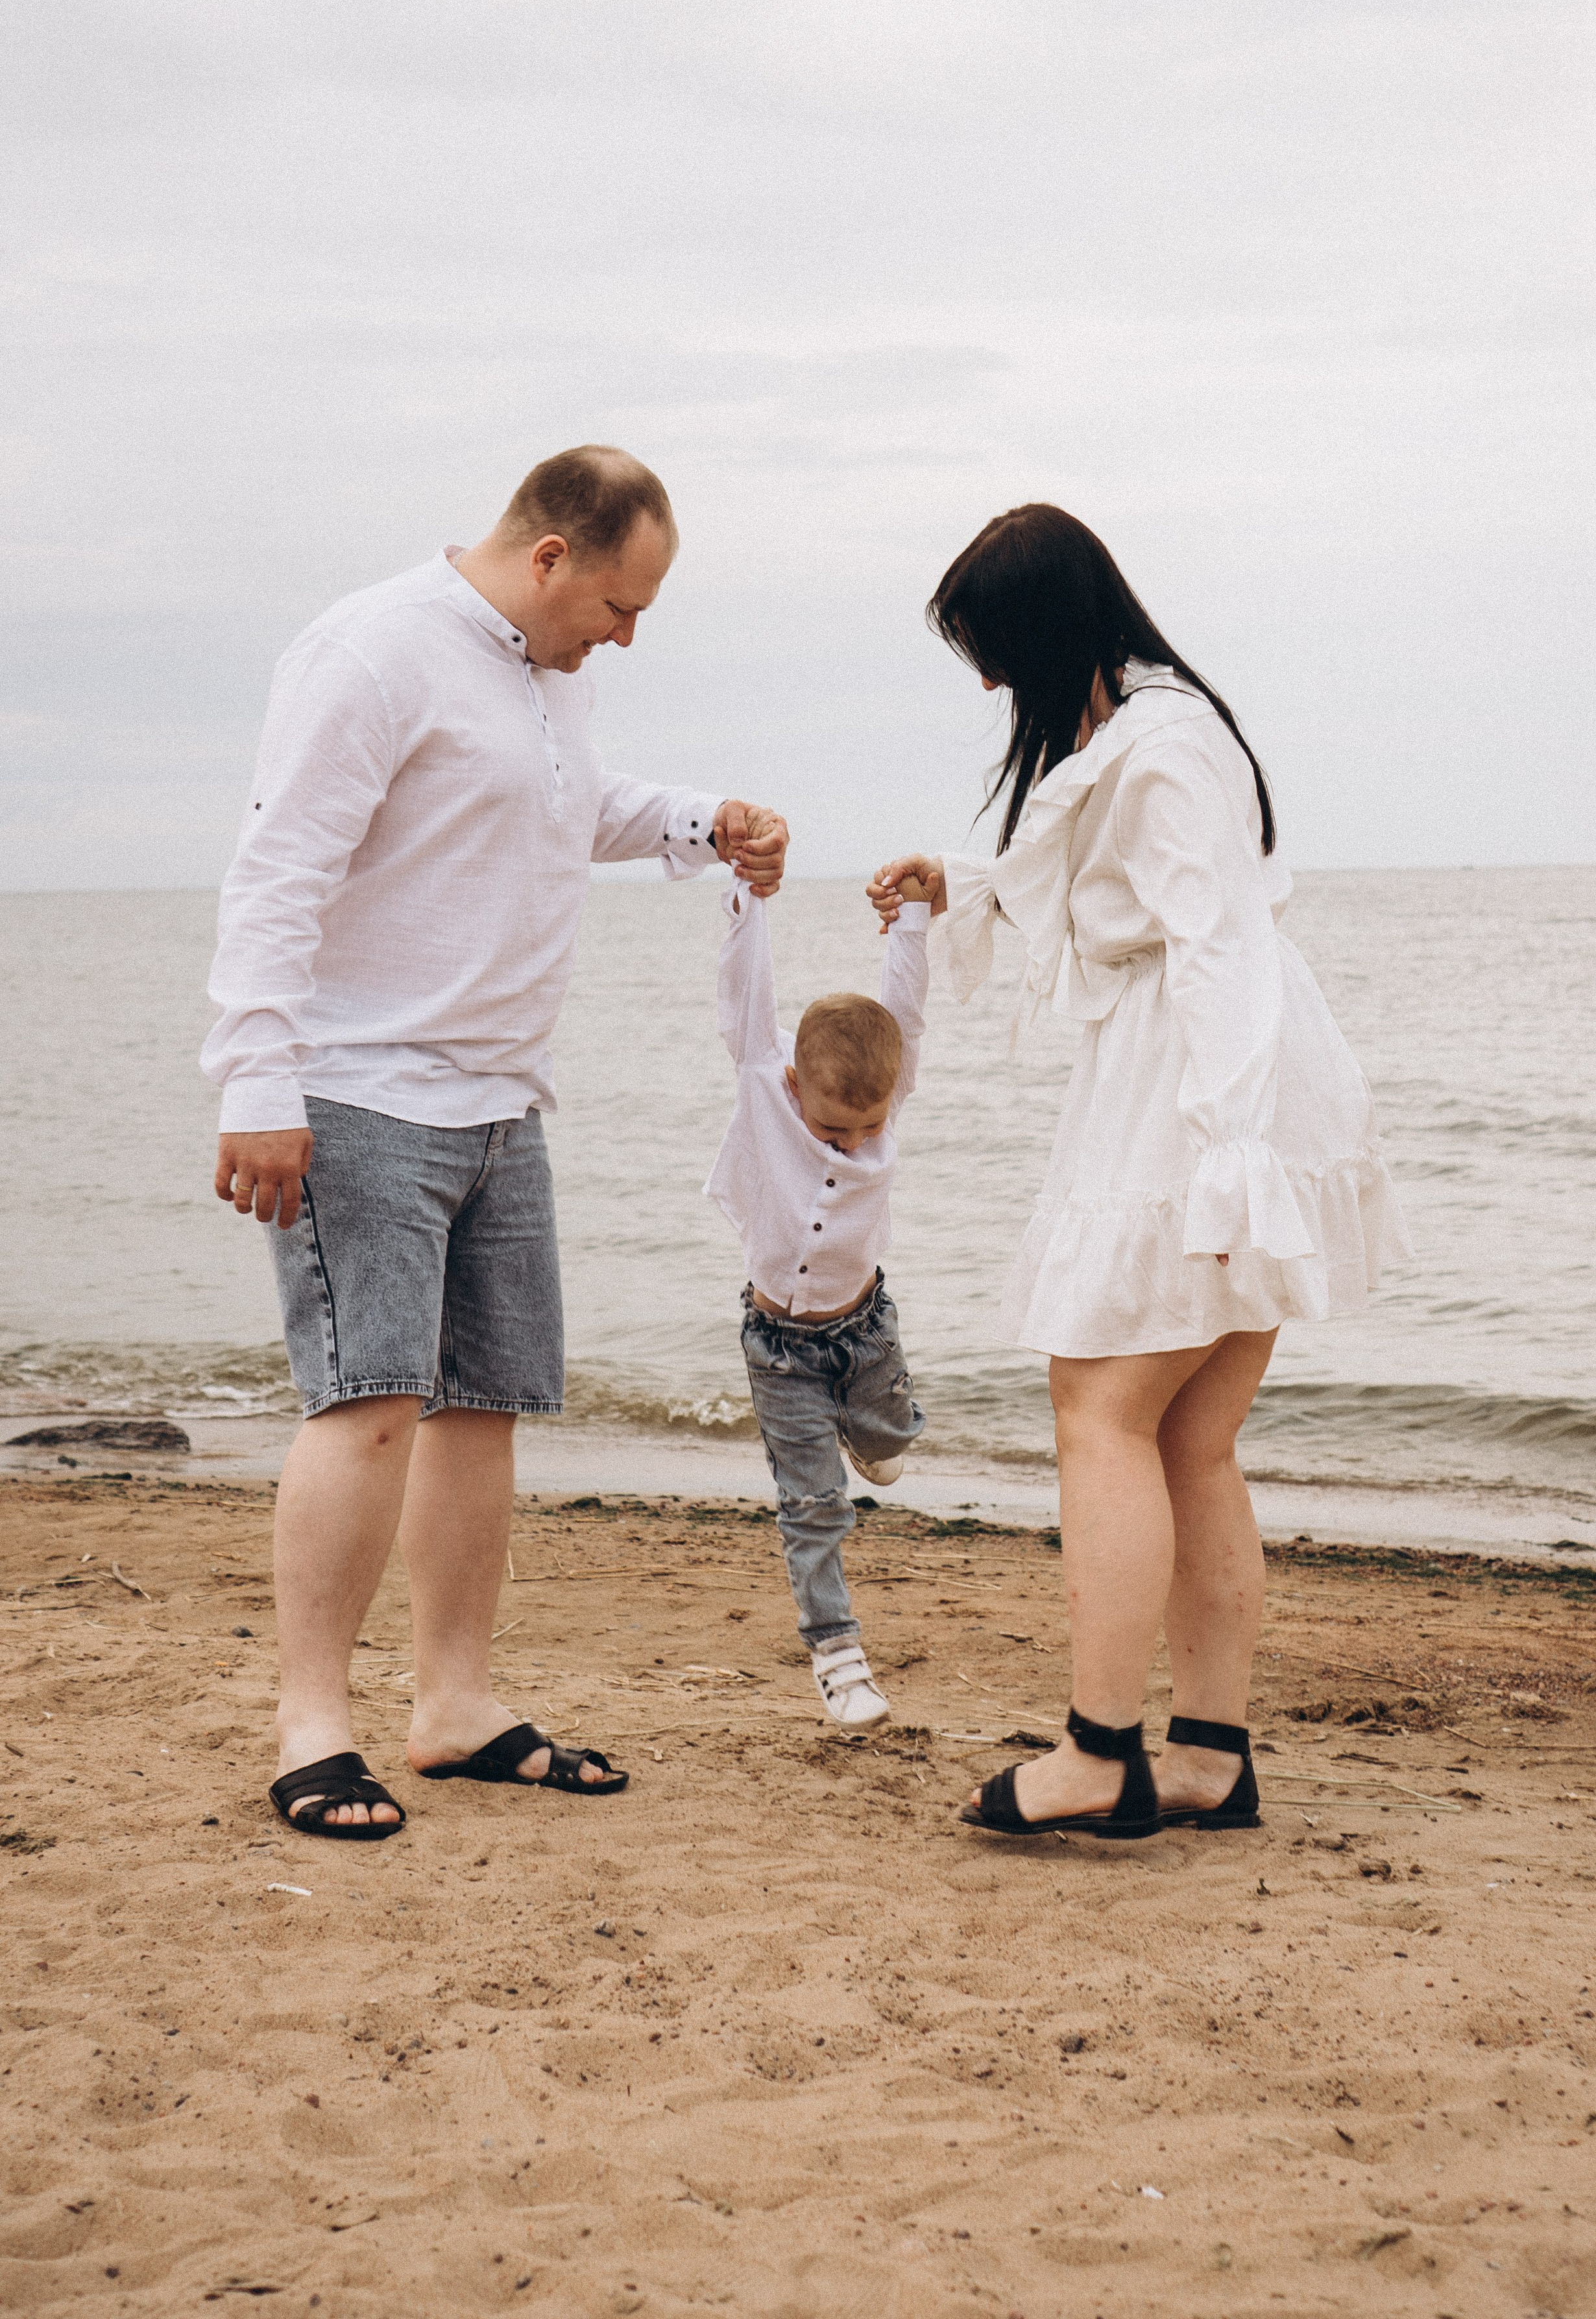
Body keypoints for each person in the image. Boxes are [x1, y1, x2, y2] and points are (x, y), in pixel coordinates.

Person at [203, 446, 790, 1839]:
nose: (625, 636)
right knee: (371, 1401)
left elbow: (570, 811)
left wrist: (707, 822)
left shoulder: (545, 682)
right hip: (356, 1093)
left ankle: (454, 1707)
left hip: (498, 1101)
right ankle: (311, 1730)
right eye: (619, 604)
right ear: (548, 559)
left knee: (481, 1407)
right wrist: (254, 1082)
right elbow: (278, 870)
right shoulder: (370, 651)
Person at [869, 504, 1407, 1843]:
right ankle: (1209, 1756)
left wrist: (1226, 1152)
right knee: (1186, 1435)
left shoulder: (1159, 750)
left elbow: (1214, 941)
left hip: (1203, 1082)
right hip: (1235, 1073)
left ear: (1041, 631)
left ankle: (1098, 1753)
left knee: (1098, 1413)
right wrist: (961, 880)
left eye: (989, 651)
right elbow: (1108, 885)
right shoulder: (1148, 727)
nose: (988, 682)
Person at [705, 867, 933, 1725]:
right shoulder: (768, 1087)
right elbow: (746, 1000)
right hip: (780, 1349)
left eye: (871, 1127)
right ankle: (840, 1661)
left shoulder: (884, 1101)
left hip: (868, 1333)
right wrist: (747, 899)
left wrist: (911, 915)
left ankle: (872, 1435)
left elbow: (904, 1011)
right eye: (837, 1130)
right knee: (813, 1504)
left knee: (887, 1451)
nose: (858, 1142)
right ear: (796, 1089)